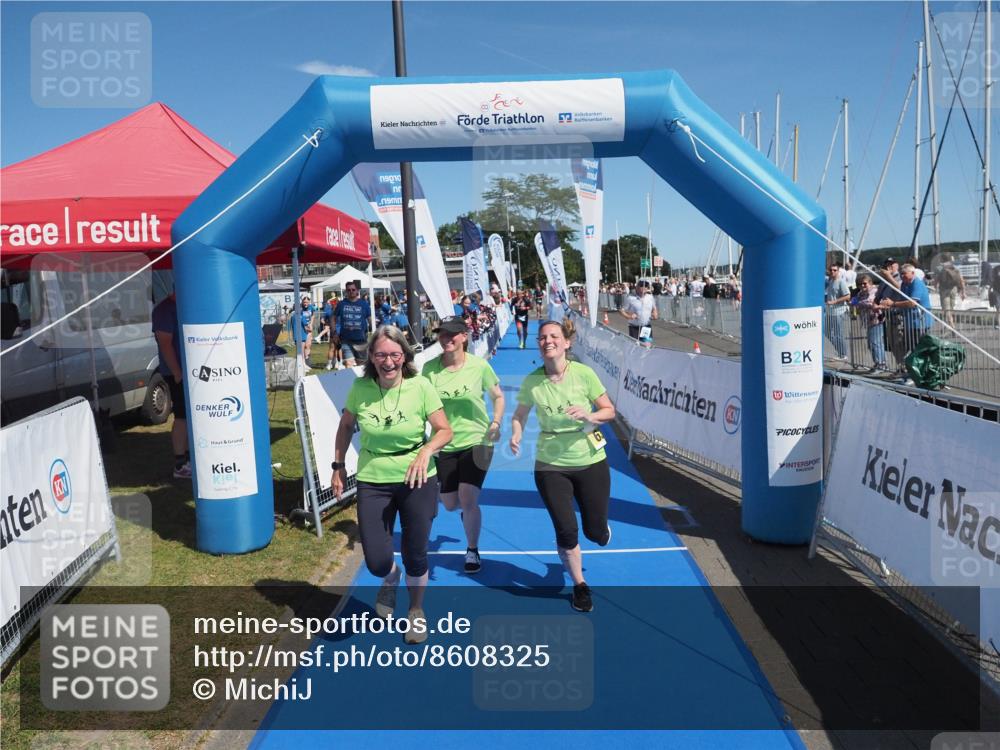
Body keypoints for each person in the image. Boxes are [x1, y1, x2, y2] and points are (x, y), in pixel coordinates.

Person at [331, 326, 453, 643]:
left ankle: (416, 610)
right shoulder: (360, 387)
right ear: (371, 357)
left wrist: (426, 451)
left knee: (416, 552)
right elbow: (345, 426)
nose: (388, 361)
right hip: (373, 477)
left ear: (405, 356)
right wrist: (338, 467)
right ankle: (390, 577)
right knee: (376, 561)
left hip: (418, 477)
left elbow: (444, 430)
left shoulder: (420, 386)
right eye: (381, 355)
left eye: (395, 354)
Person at [510, 319, 616, 613]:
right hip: (550, 464)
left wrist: (590, 416)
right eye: (542, 337)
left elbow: (609, 410)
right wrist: (516, 433)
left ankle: (601, 529)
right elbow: (519, 415)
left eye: (554, 336)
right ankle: (580, 585)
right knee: (567, 531)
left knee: (594, 533)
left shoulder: (584, 374)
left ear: (566, 342)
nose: (548, 341)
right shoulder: (532, 381)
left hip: (590, 460)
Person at [422, 317, 504, 574]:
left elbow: (498, 396)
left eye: (452, 334)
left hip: (478, 440)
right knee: (449, 503)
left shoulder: (479, 366)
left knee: (468, 497)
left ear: (464, 336)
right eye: (442, 334)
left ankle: (472, 550)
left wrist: (496, 422)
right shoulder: (429, 369)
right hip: (445, 443)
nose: (446, 339)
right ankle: (467, 514)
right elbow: (422, 403)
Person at [151, 292, 190, 479]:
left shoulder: (185, 303)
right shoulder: (164, 310)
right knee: (182, 416)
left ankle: (189, 459)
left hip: (190, 371)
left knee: (190, 416)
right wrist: (177, 372)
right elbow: (165, 343)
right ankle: (180, 464)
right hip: (177, 373)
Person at [885, 263, 933, 384]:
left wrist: (893, 304)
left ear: (912, 273)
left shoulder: (917, 284)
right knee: (909, 349)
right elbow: (902, 301)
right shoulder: (904, 284)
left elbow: (912, 303)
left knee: (917, 350)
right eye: (901, 274)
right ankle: (910, 373)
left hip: (920, 322)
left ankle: (917, 376)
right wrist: (889, 307)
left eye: (904, 274)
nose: (902, 276)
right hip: (909, 323)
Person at [849, 274, 887, 373]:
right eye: (860, 284)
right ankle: (878, 363)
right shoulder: (860, 293)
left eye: (864, 283)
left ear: (870, 283)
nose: (862, 286)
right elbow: (852, 301)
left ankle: (881, 364)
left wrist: (858, 303)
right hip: (867, 321)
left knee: (875, 343)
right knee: (872, 343)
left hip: (876, 320)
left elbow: (870, 302)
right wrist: (856, 302)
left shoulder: (874, 291)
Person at [334, 281, 372, 367]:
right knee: (348, 364)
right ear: (346, 291)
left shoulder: (364, 304)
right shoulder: (341, 304)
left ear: (357, 290)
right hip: (346, 340)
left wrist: (375, 331)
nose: (351, 291)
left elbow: (370, 319)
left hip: (361, 340)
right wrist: (334, 332)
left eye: (353, 289)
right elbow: (333, 317)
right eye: (349, 290)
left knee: (362, 366)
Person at [824, 263, 851, 360]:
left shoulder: (841, 282)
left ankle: (843, 354)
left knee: (838, 334)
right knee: (827, 332)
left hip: (839, 311)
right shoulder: (831, 281)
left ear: (838, 271)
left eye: (834, 270)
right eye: (831, 270)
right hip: (830, 312)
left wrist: (834, 301)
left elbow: (848, 296)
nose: (832, 272)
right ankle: (840, 351)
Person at [935, 254, 966, 330]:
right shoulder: (955, 267)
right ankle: (946, 325)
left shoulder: (940, 268)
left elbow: (936, 280)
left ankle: (952, 326)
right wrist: (963, 292)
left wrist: (936, 287)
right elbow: (961, 280)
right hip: (953, 289)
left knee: (946, 309)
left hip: (944, 290)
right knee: (951, 308)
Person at [296, 295, 316, 366]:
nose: (305, 304)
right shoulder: (300, 309)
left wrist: (311, 324)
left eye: (307, 302)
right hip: (302, 328)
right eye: (304, 302)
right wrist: (305, 327)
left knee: (308, 345)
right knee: (303, 345)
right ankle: (302, 361)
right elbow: (299, 318)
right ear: (302, 302)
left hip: (309, 327)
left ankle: (307, 359)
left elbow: (313, 315)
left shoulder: (311, 307)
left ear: (309, 302)